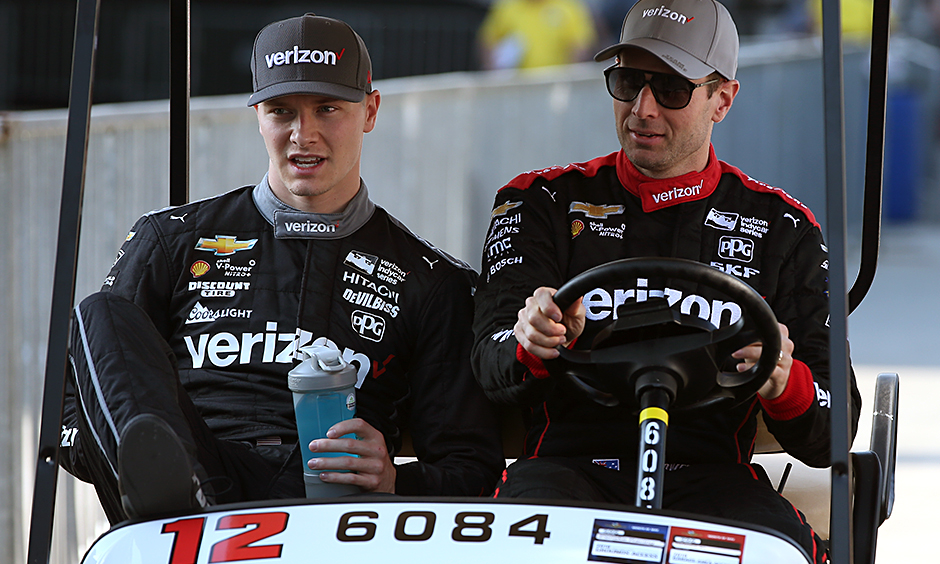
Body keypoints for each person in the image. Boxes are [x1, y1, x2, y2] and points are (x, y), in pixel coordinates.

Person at [59, 13, 504, 524]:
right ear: (257, 115)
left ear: (371, 110)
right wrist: (133, 460)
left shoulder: (432, 280)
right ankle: (180, 502)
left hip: (333, 514)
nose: (303, 134)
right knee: (101, 313)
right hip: (195, 488)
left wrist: (395, 480)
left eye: (327, 108)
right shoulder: (172, 240)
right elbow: (74, 412)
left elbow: (471, 467)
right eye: (281, 110)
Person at [471, 0, 861, 562]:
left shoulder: (784, 228)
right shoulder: (540, 202)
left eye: (672, 88)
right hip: (565, 476)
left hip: (714, 482)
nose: (642, 108)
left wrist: (782, 379)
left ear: (721, 99)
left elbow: (835, 424)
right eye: (628, 81)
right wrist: (528, 341)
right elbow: (487, 360)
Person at [478, 0, 598, 70]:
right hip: (515, 87)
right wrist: (495, 72)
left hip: (555, 85)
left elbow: (582, 47)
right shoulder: (507, 7)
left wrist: (567, 79)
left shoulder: (568, 6)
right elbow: (487, 41)